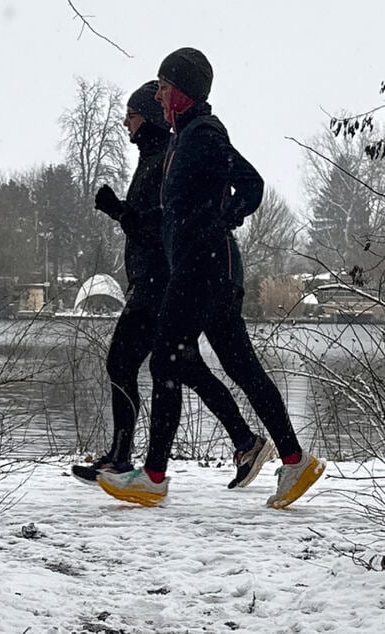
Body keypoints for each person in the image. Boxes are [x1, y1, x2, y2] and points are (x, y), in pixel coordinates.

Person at [98, 48, 325, 509]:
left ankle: (153, 477)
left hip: (203, 271)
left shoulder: (204, 133)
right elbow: (177, 213)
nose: (157, 95)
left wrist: (224, 218)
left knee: (167, 361)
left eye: (163, 86)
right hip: (207, 271)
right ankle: (295, 459)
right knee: (240, 367)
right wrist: (142, 219)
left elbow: (252, 184)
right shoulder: (184, 139)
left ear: (182, 92)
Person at [71, 81, 272, 490]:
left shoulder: (168, 158)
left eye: (131, 114)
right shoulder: (154, 158)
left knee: (128, 363)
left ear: (148, 117)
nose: (125, 122)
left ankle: (128, 461)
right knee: (183, 366)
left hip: (161, 284)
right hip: (156, 281)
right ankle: (244, 442)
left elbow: (162, 227)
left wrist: (118, 211)